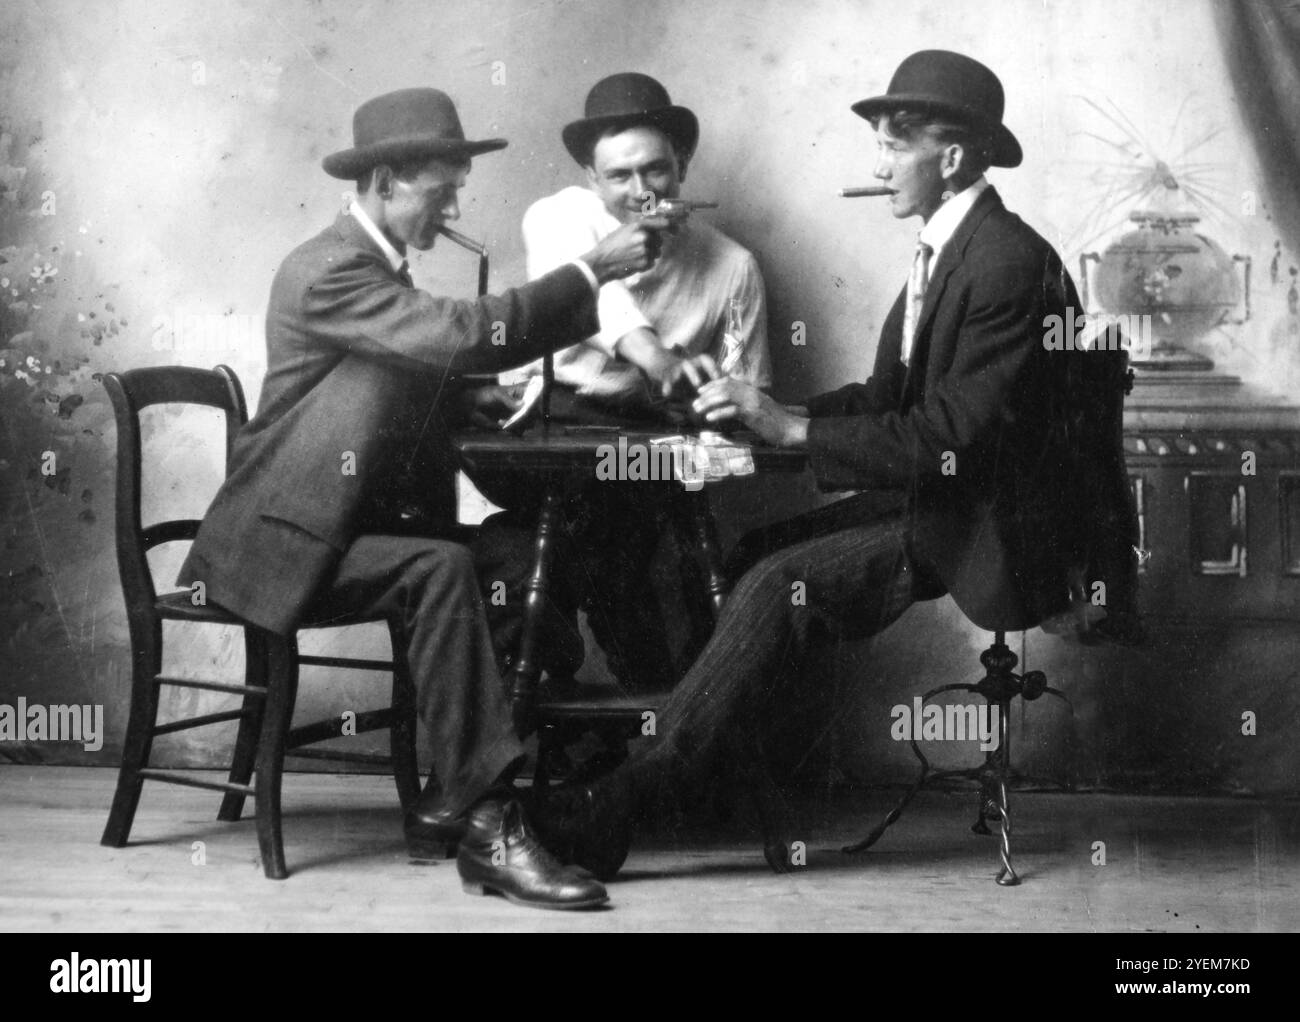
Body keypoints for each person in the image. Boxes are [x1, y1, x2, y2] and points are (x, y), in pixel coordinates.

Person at [537, 51, 1139, 879]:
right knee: (753, 559)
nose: (879, 165)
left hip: (988, 524)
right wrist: (765, 418)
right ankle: (713, 773)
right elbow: (886, 396)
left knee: (770, 588)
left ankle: (626, 804)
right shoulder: (948, 249)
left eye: (895, 146)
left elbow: (951, 438)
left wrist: (788, 430)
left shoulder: (1005, 263)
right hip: (941, 500)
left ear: (953, 159)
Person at [177, 87, 670, 909]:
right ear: (389, 182)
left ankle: (454, 792)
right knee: (442, 569)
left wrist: (463, 404)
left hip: (343, 530)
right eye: (441, 191)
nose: (451, 208)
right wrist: (591, 271)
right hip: (282, 544)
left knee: (513, 554)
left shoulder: (371, 271)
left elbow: (378, 384)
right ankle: (491, 827)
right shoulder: (327, 268)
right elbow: (456, 335)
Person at [473, 73, 772, 693]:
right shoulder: (559, 217)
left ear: (683, 166)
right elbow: (602, 303)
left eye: (656, 170)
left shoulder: (733, 266)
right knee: (637, 551)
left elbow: (747, 402)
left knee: (563, 554)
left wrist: (712, 400)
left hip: (643, 452)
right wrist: (659, 363)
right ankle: (623, 717)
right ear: (591, 178)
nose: (642, 192)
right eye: (619, 176)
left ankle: (622, 741)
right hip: (541, 436)